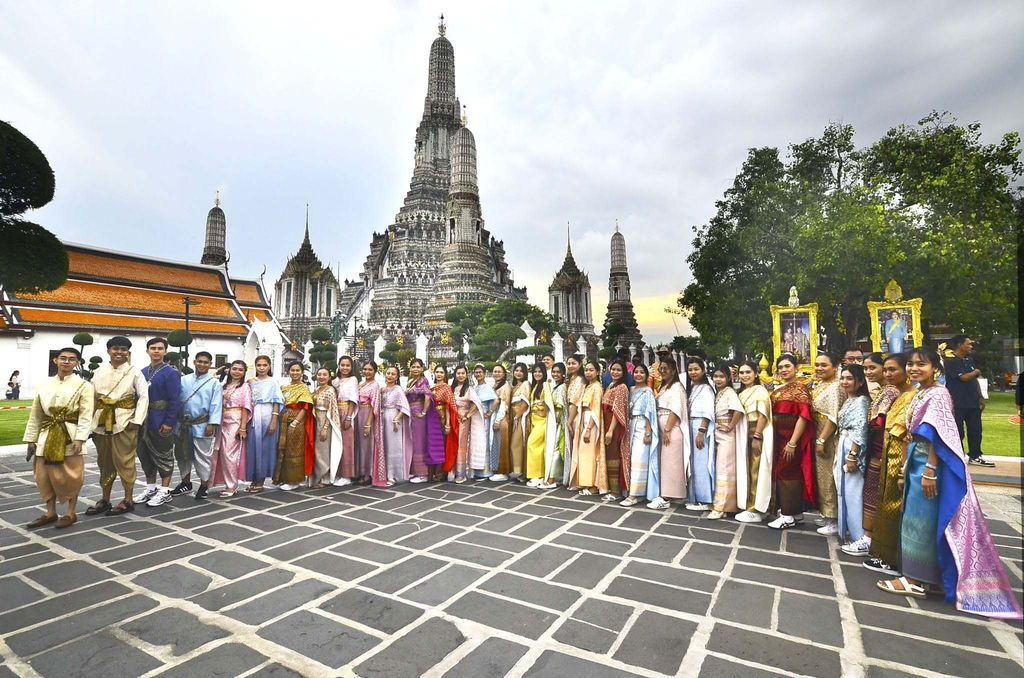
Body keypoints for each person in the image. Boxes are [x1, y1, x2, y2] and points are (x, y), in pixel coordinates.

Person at [877, 348, 1021, 620]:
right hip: (917, 459)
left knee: (920, 520)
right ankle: (929, 577)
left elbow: (938, 434)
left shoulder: (939, 394)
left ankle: (914, 580)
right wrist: (908, 467)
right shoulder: (922, 392)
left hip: (929, 462)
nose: (914, 368)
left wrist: (930, 470)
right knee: (919, 518)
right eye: (911, 364)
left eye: (921, 364)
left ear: (935, 368)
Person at [23, 348, 94, 528]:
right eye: (63, 358)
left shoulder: (84, 386)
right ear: (55, 360)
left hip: (70, 435)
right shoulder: (44, 384)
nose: (66, 362)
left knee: (72, 475)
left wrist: (80, 438)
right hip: (46, 435)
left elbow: (86, 414)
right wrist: (31, 438)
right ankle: (50, 512)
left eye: (71, 359)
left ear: (77, 363)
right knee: (43, 475)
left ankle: (70, 513)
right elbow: (36, 414)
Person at [863, 353, 915, 576]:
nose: (888, 374)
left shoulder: (913, 396)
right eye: (886, 370)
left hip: (901, 458)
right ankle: (886, 556)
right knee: (886, 504)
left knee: (895, 506)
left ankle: (896, 561)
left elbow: (908, 434)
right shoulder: (899, 394)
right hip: (887, 455)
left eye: (893, 369)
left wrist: (903, 468)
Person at [87, 336, 149, 516]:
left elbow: (143, 396)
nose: (119, 352)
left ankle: (128, 499)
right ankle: (105, 499)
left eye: (123, 349)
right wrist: (89, 423)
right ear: (108, 351)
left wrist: (137, 420)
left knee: (125, 461)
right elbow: (92, 399)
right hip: (101, 423)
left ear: (128, 352)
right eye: (115, 349)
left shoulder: (134, 372)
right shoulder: (98, 372)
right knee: (104, 462)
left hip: (124, 422)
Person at [767, 354, 816, 530]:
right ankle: (796, 513)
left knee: (787, 474)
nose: (783, 370)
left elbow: (803, 417)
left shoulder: (801, 389)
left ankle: (787, 516)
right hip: (779, 438)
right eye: (780, 367)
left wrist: (793, 442)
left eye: (787, 366)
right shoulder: (778, 390)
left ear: (796, 368)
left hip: (792, 439)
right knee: (787, 474)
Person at [135, 338, 182, 508]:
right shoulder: (142, 372)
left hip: (161, 419)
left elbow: (175, 400)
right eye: (153, 348)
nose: (156, 351)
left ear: (165, 351)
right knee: (145, 454)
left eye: (160, 348)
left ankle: (165, 490)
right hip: (143, 419)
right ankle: (150, 488)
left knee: (164, 455)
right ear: (147, 350)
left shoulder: (171, 373)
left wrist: (169, 422)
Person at [173, 352, 223, 500]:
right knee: (182, 456)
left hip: (201, 424)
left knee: (203, 456)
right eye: (199, 361)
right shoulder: (183, 380)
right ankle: (185, 482)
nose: (202, 364)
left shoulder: (214, 383)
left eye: (206, 362)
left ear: (210, 364)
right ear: (194, 362)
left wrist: (212, 423)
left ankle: (204, 485)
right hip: (182, 424)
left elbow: (216, 404)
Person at [861, 353, 899, 537]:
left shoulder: (891, 391)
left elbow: (880, 423)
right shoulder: (883, 390)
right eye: (865, 368)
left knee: (873, 491)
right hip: (877, 448)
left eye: (872, 368)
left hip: (881, 450)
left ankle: (870, 536)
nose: (868, 372)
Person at [834, 365, 870, 554]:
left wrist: (853, 455)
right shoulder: (850, 400)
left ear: (860, 382)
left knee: (853, 492)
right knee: (844, 490)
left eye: (849, 378)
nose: (845, 382)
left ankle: (859, 536)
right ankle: (848, 531)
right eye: (842, 378)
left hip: (852, 448)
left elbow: (860, 429)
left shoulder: (862, 401)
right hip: (844, 444)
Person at [945, 335, 994, 467]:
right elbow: (964, 377)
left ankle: (975, 455)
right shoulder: (950, 361)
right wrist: (976, 372)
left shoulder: (969, 360)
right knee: (958, 431)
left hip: (972, 401)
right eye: (968, 344)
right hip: (957, 402)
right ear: (960, 345)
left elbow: (973, 380)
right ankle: (958, 456)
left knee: (976, 430)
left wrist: (980, 396)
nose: (971, 347)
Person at [811, 353, 846, 534]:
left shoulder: (837, 386)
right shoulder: (822, 384)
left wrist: (822, 439)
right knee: (821, 475)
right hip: (818, 429)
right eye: (817, 365)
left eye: (824, 365)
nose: (819, 368)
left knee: (829, 476)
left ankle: (833, 518)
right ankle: (826, 513)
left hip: (828, 434)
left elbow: (833, 417)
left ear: (835, 367)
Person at [647, 357, 689, 510]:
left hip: (672, 429)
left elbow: (675, 409)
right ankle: (671, 494)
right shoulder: (664, 387)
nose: (663, 371)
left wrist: (667, 429)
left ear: (673, 370)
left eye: (666, 368)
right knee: (666, 462)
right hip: (663, 428)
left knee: (671, 463)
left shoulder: (677, 387)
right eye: (661, 369)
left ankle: (667, 496)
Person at [708, 365, 747, 520]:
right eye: (716, 376)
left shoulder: (729, 392)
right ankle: (724, 505)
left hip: (727, 436)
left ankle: (721, 507)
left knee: (724, 469)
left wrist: (730, 426)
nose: (718, 379)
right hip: (718, 433)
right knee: (720, 469)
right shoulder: (719, 392)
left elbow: (738, 410)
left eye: (721, 376)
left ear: (728, 378)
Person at [210, 360, 251, 498]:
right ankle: (225, 482)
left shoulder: (244, 387)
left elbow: (246, 407)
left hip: (235, 421)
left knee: (230, 454)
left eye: (240, 369)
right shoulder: (225, 386)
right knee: (220, 453)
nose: (237, 372)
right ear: (229, 370)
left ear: (244, 372)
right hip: (222, 420)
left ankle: (232, 485)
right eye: (235, 368)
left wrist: (243, 428)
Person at [620, 363, 658, 507]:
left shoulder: (648, 392)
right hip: (630, 425)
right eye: (636, 372)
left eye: (642, 372)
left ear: (646, 375)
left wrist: (648, 432)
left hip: (641, 426)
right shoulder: (631, 389)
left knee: (639, 458)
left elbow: (649, 413)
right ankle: (633, 491)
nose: (639, 375)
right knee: (629, 458)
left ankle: (634, 494)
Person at [245, 355, 284, 493]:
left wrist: (274, 420)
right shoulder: (250, 381)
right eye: (259, 365)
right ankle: (254, 478)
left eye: (264, 365)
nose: (261, 368)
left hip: (268, 414)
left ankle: (261, 480)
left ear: (269, 366)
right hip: (254, 415)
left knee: (266, 449)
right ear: (255, 366)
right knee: (253, 448)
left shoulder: (273, 382)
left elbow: (277, 402)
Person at [569, 360, 607, 496]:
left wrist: (589, 429)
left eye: (591, 370)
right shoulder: (588, 386)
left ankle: (593, 486)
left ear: (598, 372)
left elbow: (596, 409)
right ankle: (584, 482)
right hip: (583, 420)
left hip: (591, 422)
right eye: (586, 370)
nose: (588, 373)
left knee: (590, 454)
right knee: (583, 453)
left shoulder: (597, 387)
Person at [276, 361, 314, 490]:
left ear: (302, 372)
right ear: (288, 371)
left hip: (297, 421)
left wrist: (296, 422)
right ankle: (284, 477)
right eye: (292, 370)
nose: (295, 373)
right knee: (283, 448)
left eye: (298, 370)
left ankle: (294, 480)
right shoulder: (284, 387)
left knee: (294, 450)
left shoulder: (304, 388)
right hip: (284, 419)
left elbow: (305, 407)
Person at [406, 359, 444, 484]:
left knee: (419, 442)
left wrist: (423, 412)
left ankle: (423, 473)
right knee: (413, 441)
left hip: (419, 415)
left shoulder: (423, 380)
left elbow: (428, 396)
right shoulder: (411, 381)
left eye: (418, 367)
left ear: (422, 369)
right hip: (411, 413)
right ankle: (415, 471)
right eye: (413, 367)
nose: (415, 369)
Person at [685, 357, 716, 511]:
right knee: (693, 462)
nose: (693, 372)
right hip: (690, 424)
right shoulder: (692, 387)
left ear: (703, 370)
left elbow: (708, 412)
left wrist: (701, 431)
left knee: (701, 462)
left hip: (700, 426)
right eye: (690, 369)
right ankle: (696, 497)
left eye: (696, 369)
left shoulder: (706, 388)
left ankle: (705, 499)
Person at [601, 358, 630, 502]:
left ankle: (616, 491)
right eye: (613, 369)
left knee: (614, 457)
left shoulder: (622, 387)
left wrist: (611, 431)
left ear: (624, 372)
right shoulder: (611, 385)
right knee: (608, 456)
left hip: (614, 426)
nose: (615, 372)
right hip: (606, 423)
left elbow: (617, 411)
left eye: (619, 370)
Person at [452, 364, 486, 483]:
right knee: (452, 443)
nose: (460, 375)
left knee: (460, 444)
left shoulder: (469, 389)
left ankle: (461, 473)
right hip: (453, 418)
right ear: (455, 375)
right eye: (458, 373)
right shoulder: (452, 388)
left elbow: (477, 404)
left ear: (466, 375)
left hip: (463, 420)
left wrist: (467, 415)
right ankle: (451, 471)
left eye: (463, 373)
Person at [311, 367, 343, 488]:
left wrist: (325, 427)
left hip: (324, 419)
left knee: (323, 450)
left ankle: (325, 477)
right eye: (319, 374)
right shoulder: (317, 389)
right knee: (316, 449)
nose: (321, 377)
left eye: (325, 375)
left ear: (329, 377)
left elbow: (332, 410)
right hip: (315, 419)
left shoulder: (330, 390)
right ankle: (317, 477)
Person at [525, 363, 556, 487]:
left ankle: (538, 475)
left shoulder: (545, 385)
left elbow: (548, 401)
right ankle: (538, 474)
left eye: (539, 372)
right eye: (535, 372)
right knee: (538, 447)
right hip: (534, 419)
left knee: (532, 444)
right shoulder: (535, 386)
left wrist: (543, 412)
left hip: (542, 420)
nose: (537, 374)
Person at [381, 365, 413, 486]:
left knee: (393, 446)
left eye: (393, 374)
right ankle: (383, 473)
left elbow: (405, 407)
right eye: (388, 373)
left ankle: (393, 475)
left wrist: (397, 418)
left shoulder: (398, 389)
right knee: (384, 446)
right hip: (383, 418)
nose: (390, 376)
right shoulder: (382, 389)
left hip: (393, 418)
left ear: (397, 377)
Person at [331, 356, 360, 485]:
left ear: (351, 367)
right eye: (342, 365)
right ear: (338, 366)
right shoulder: (335, 381)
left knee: (347, 443)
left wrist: (349, 417)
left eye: (348, 365)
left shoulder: (353, 380)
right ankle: (338, 472)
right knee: (337, 443)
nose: (345, 368)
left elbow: (353, 399)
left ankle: (347, 475)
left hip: (346, 411)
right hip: (335, 412)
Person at [358, 361, 386, 486]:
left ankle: (367, 474)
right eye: (365, 369)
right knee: (360, 445)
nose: (367, 372)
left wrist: (368, 424)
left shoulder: (375, 386)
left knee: (367, 446)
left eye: (370, 369)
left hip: (367, 415)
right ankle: (360, 471)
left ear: (375, 371)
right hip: (358, 415)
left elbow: (374, 406)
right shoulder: (360, 384)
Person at [541, 362, 568, 489]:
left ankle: (552, 479)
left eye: (558, 372)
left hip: (558, 421)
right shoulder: (555, 386)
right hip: (553, 420)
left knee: (556, 448)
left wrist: (557, 421)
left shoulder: (562, 387)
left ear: (563, 374)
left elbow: (561, 406)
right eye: (554, 372)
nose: (555, 374)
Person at [432, 365, 459, 482]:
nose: (439, 374)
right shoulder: (431, 387)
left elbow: (449, 407)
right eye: (437, 372)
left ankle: (442, 473)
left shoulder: (447, 388)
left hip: (442, 417)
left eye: (441, 372)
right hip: (432, 417)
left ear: (445, 375)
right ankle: (433, 472)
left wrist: (448, 423)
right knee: (433, 444)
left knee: (442, 444)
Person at [562, 355, 586, 487]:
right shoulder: (570, 379)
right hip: (568, 415)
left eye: (574, 363)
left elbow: (574, 403)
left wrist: (569, 421)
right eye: (569, 363)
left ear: (580, 364)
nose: (571, 366)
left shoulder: (580, 380)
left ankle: (577, 480)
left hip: (574, 416)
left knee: (575, 447)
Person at [473, 364, 498, 479]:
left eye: (480, 372)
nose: (478, 374)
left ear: (484, 373)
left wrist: (490, 412)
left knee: (484, 442)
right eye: (476, 372)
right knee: (476, 443)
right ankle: (477, 470)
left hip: (483, 417)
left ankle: (485, 471)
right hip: (475, 417)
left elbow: (496, 400)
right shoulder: (476, 387)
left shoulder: (487, 387)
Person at [488, 364, 512, 481]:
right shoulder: (495, 385)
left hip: (501, 418)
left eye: (499, 372)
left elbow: (504, 404)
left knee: (501, 445)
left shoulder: (505, 386)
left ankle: (502, 471)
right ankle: (496, 469)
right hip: (494, 416)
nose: (497, 373)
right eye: (495, 371)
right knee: (495, 444)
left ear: (504, 374)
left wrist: (498, 420)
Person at [509, 363, 531, 481]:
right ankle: (518, 470)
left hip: (521, 416)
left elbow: (525, 403)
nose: (518, 373)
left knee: (517, 443)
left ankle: (521, 471)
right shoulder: (514, 386)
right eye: (516, 370)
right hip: (513, 415)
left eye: (521, 371)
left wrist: (517, 416)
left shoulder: (526, 384)